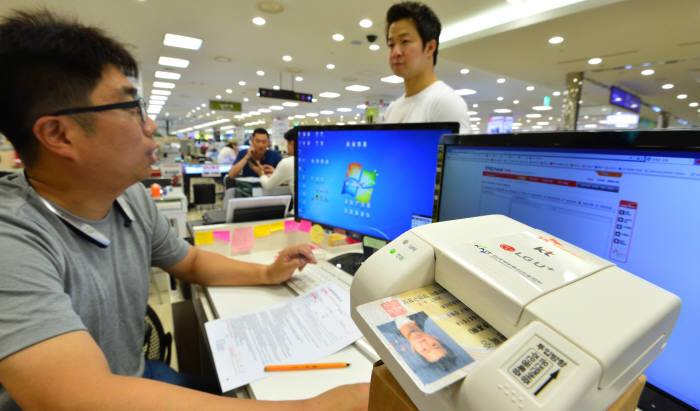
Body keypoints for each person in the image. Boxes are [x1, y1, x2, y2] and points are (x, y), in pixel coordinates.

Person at [0, 10, 368, 411]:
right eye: (131, 108)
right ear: (58, 134)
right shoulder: (13, 240)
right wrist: (316, 407)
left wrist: (265, 273)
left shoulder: (130, 198)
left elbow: (188, 261)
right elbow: (80, 398)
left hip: (137, 374)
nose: (150, 124)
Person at [384, 2, 471, 133]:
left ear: (430, 47)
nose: (396, 52)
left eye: (405, 41)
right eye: (391, 44)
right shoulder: (393, 108)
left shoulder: (445, 102)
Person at [257, 128, 295, 195]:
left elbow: (268, 186)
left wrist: (261, 173)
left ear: (292, 143)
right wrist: (276, 173)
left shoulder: (287, 162)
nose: (261, 145)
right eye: (258, 141)